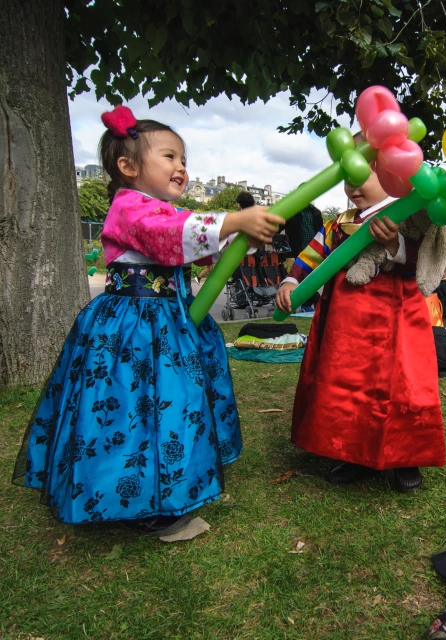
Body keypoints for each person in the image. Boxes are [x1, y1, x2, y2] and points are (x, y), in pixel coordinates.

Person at [12, 106, 284, 533]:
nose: (181, 167)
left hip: (169, 324)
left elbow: (200, 246)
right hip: (133, 331)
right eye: (169, 157)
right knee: (134, 410)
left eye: (183, 160)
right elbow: (168, 237)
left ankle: (169, 488)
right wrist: (232, 219)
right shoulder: (129, 207)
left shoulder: (166, 211)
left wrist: (237, 236)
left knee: (173, 408)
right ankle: (141, 503)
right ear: (128, 166)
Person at [275, 151, 446, 493]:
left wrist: (394, 244)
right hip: (345, 325)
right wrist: (291, 281)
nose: (353, 186)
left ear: (392, 177)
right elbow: (312, 254)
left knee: (400, 386)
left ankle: (404, 457)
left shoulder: (409, 213)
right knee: (347, 385)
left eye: (363, 176)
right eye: (347, 178)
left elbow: (422, 261)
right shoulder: (338, 222)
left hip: (396, 321)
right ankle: (355, 454)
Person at [194, 191, 256, 284]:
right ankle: (201, 277)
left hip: (225, 253)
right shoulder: (254, 220)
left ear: (239, 204)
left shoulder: (233, 219)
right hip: (244, 260)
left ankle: (202, 277)